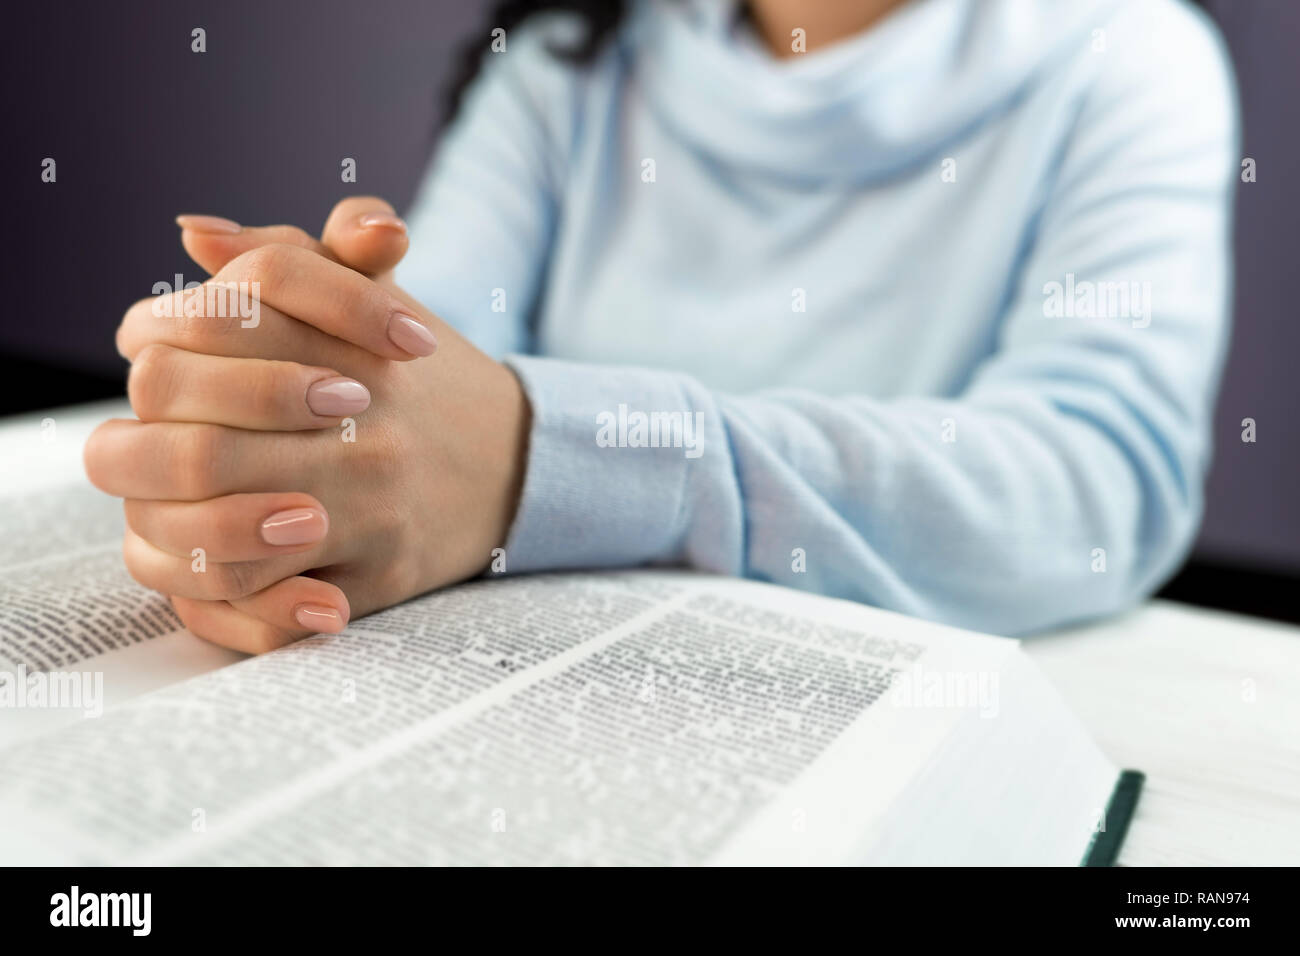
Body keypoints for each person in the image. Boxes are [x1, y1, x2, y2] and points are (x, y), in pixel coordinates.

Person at [85, 0, 1238, 653]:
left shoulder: (1127, 56)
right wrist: (310, 399)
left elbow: (1097, 480)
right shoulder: (564, 66)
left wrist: (580, 455)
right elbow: (424, 383)